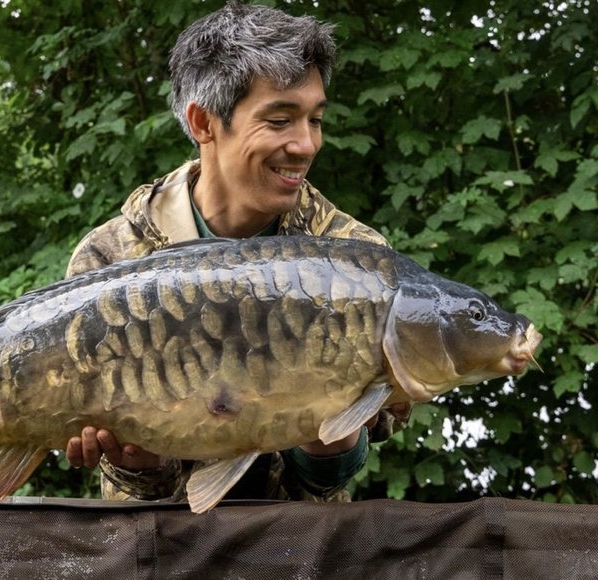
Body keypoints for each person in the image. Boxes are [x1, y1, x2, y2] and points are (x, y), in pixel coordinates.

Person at [64, 2, 410, 504]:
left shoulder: (358, 261)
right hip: (156, 555)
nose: (306, 144)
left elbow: (366, 440)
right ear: (204, 123)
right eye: (280, 119)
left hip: (297, 553)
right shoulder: (111, 258)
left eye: (315, 119)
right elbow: (136, 491)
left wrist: (330, 450)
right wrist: (139, 465)